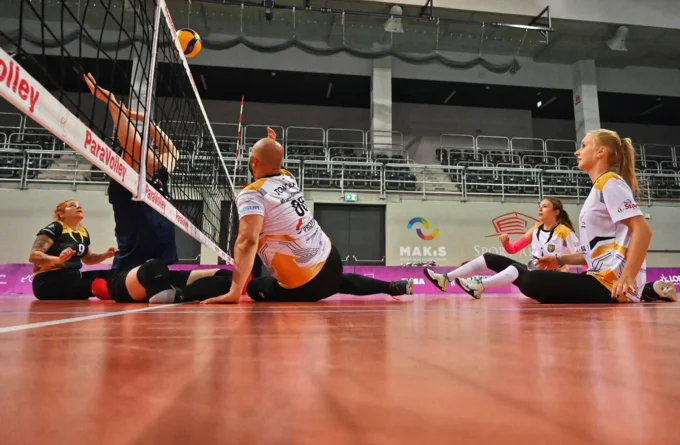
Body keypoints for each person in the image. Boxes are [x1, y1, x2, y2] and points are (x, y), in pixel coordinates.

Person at [429, 129, 677, 304]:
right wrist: (559, 259)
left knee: (529, 280)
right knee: (513, 268)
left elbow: (643, 230)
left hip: (610, 286)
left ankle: (645, 291)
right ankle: (650, 291)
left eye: (584, 146)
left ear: (601, 152)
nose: (577, 152)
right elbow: (592, 253)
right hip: (599, 279)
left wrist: (628, 277)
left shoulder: (609, 182)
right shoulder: (598, 188)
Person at [201, 129, 413, 304]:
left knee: (255, 287)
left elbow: (247, 241)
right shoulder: (288, 177)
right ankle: (392, 286)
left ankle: (252, 289)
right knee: (335, 281)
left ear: (254, 161)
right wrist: (272, 146)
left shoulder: (251, 194)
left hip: (306, 283)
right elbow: (274, 164)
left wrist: (234, 292)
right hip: (331, 260)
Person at [83, 73, 232, 303]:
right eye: (149, 149)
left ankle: (177, 295)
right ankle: (154, 291)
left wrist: (145, 120)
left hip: (162, 272)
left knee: (226, 277)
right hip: (129, 274)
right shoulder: (127, 183)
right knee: (152, 269)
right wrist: (112, 103)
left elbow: (171, 150)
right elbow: (132, 146)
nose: (153, 150)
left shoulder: (161, 178)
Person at [424, 198, 580, 298]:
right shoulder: (536, 229)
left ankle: (480, 285)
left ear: (556, 212)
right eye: (539, 206)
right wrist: (506, 243)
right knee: (489, 258)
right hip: (532, 273)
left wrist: (584, 276)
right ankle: (445, 279)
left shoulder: (565, 232)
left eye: (544, 207)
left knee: (516, 268)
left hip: (551, 280)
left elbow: (584, 256)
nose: (540, 209)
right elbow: (513, 249)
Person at [29, 200, 116, 300]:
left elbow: (88, 259)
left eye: (80, 206)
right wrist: (58, 259)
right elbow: (33, 256)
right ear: (61, 214)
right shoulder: (56, 227)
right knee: (94, 284)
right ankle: (109, 294)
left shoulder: (83, 232)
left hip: (74, 277)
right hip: (48, 280)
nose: (78, 207)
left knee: (113, 275)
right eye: (72, 205)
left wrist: (106, 255)